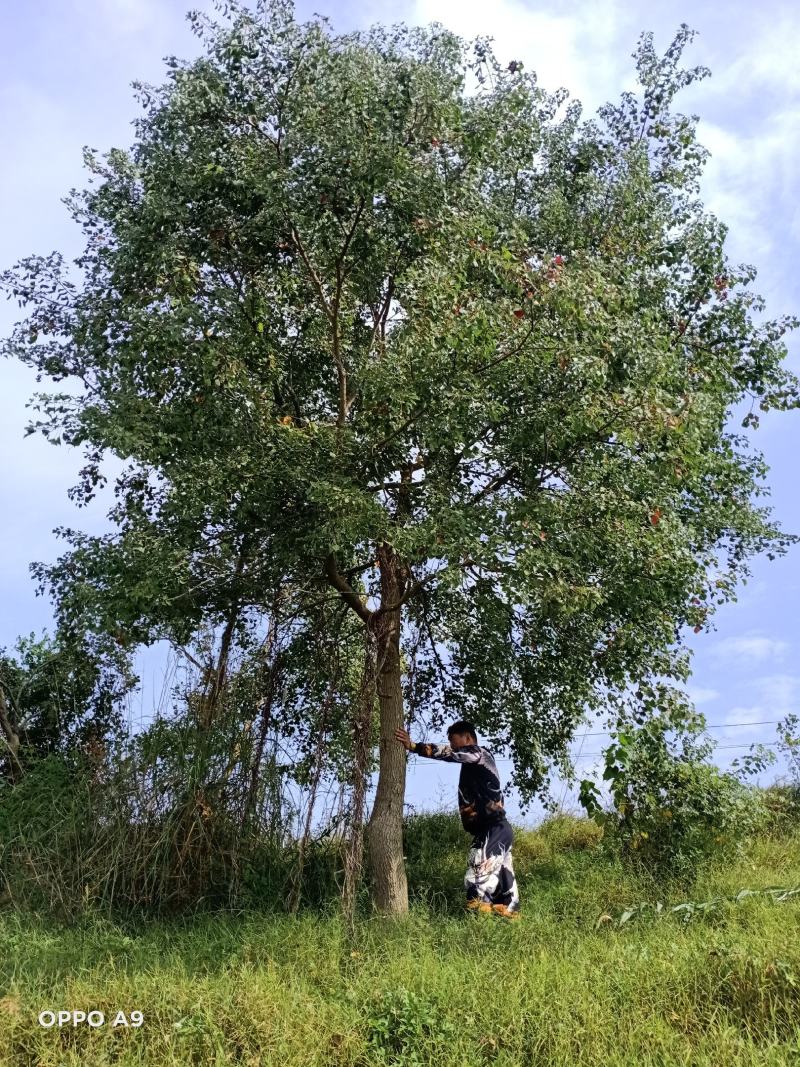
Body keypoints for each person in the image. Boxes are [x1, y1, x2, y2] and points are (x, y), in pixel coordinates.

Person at [394, 720, 521, 920]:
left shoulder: (479, 754)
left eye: (454, 741)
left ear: (468, 738)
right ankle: (507, 924)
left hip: (493, 828)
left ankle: (477, 926)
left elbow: (449, 753)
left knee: (477, 876)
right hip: (493, 830)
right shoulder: (473, 765)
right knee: (504, 885)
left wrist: (414, 746)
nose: (452, 746)